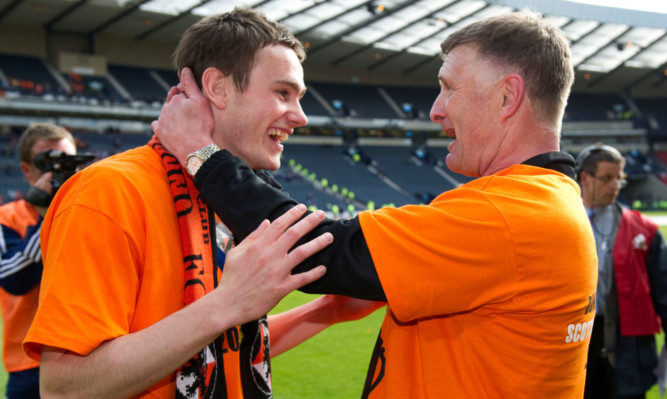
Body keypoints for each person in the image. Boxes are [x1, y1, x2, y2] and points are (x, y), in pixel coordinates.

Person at [153, 10, 599, 398]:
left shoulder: (511, 213)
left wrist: (201, 155)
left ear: (507, 97)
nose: (435, 110)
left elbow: (322, 248)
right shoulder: (546, 202)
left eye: (449, 88)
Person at [23, 8, 381, 399]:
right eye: (283, 93)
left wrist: (325, 311)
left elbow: (215, 351)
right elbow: (65, 389)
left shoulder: (225, 197)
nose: (300, 116)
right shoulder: (108, 191)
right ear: (218, 88)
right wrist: (225, 304)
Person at [576, 143, 667, 399]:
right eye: (607, 179)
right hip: (577, 336)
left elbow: (664, 289)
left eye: (619, 178)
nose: (615, 186)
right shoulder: (561, 225)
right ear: (585, 177)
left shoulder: (644, 229)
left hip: (628, 343)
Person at [0, 122, 77, 399]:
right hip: (27, 361)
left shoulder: (89, 212)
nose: (58, 171)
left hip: (86, 354)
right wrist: (47, 216)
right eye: (48, 163)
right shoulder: (7, 217)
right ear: (26, 170)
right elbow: (13, 280)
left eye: (66, 162)